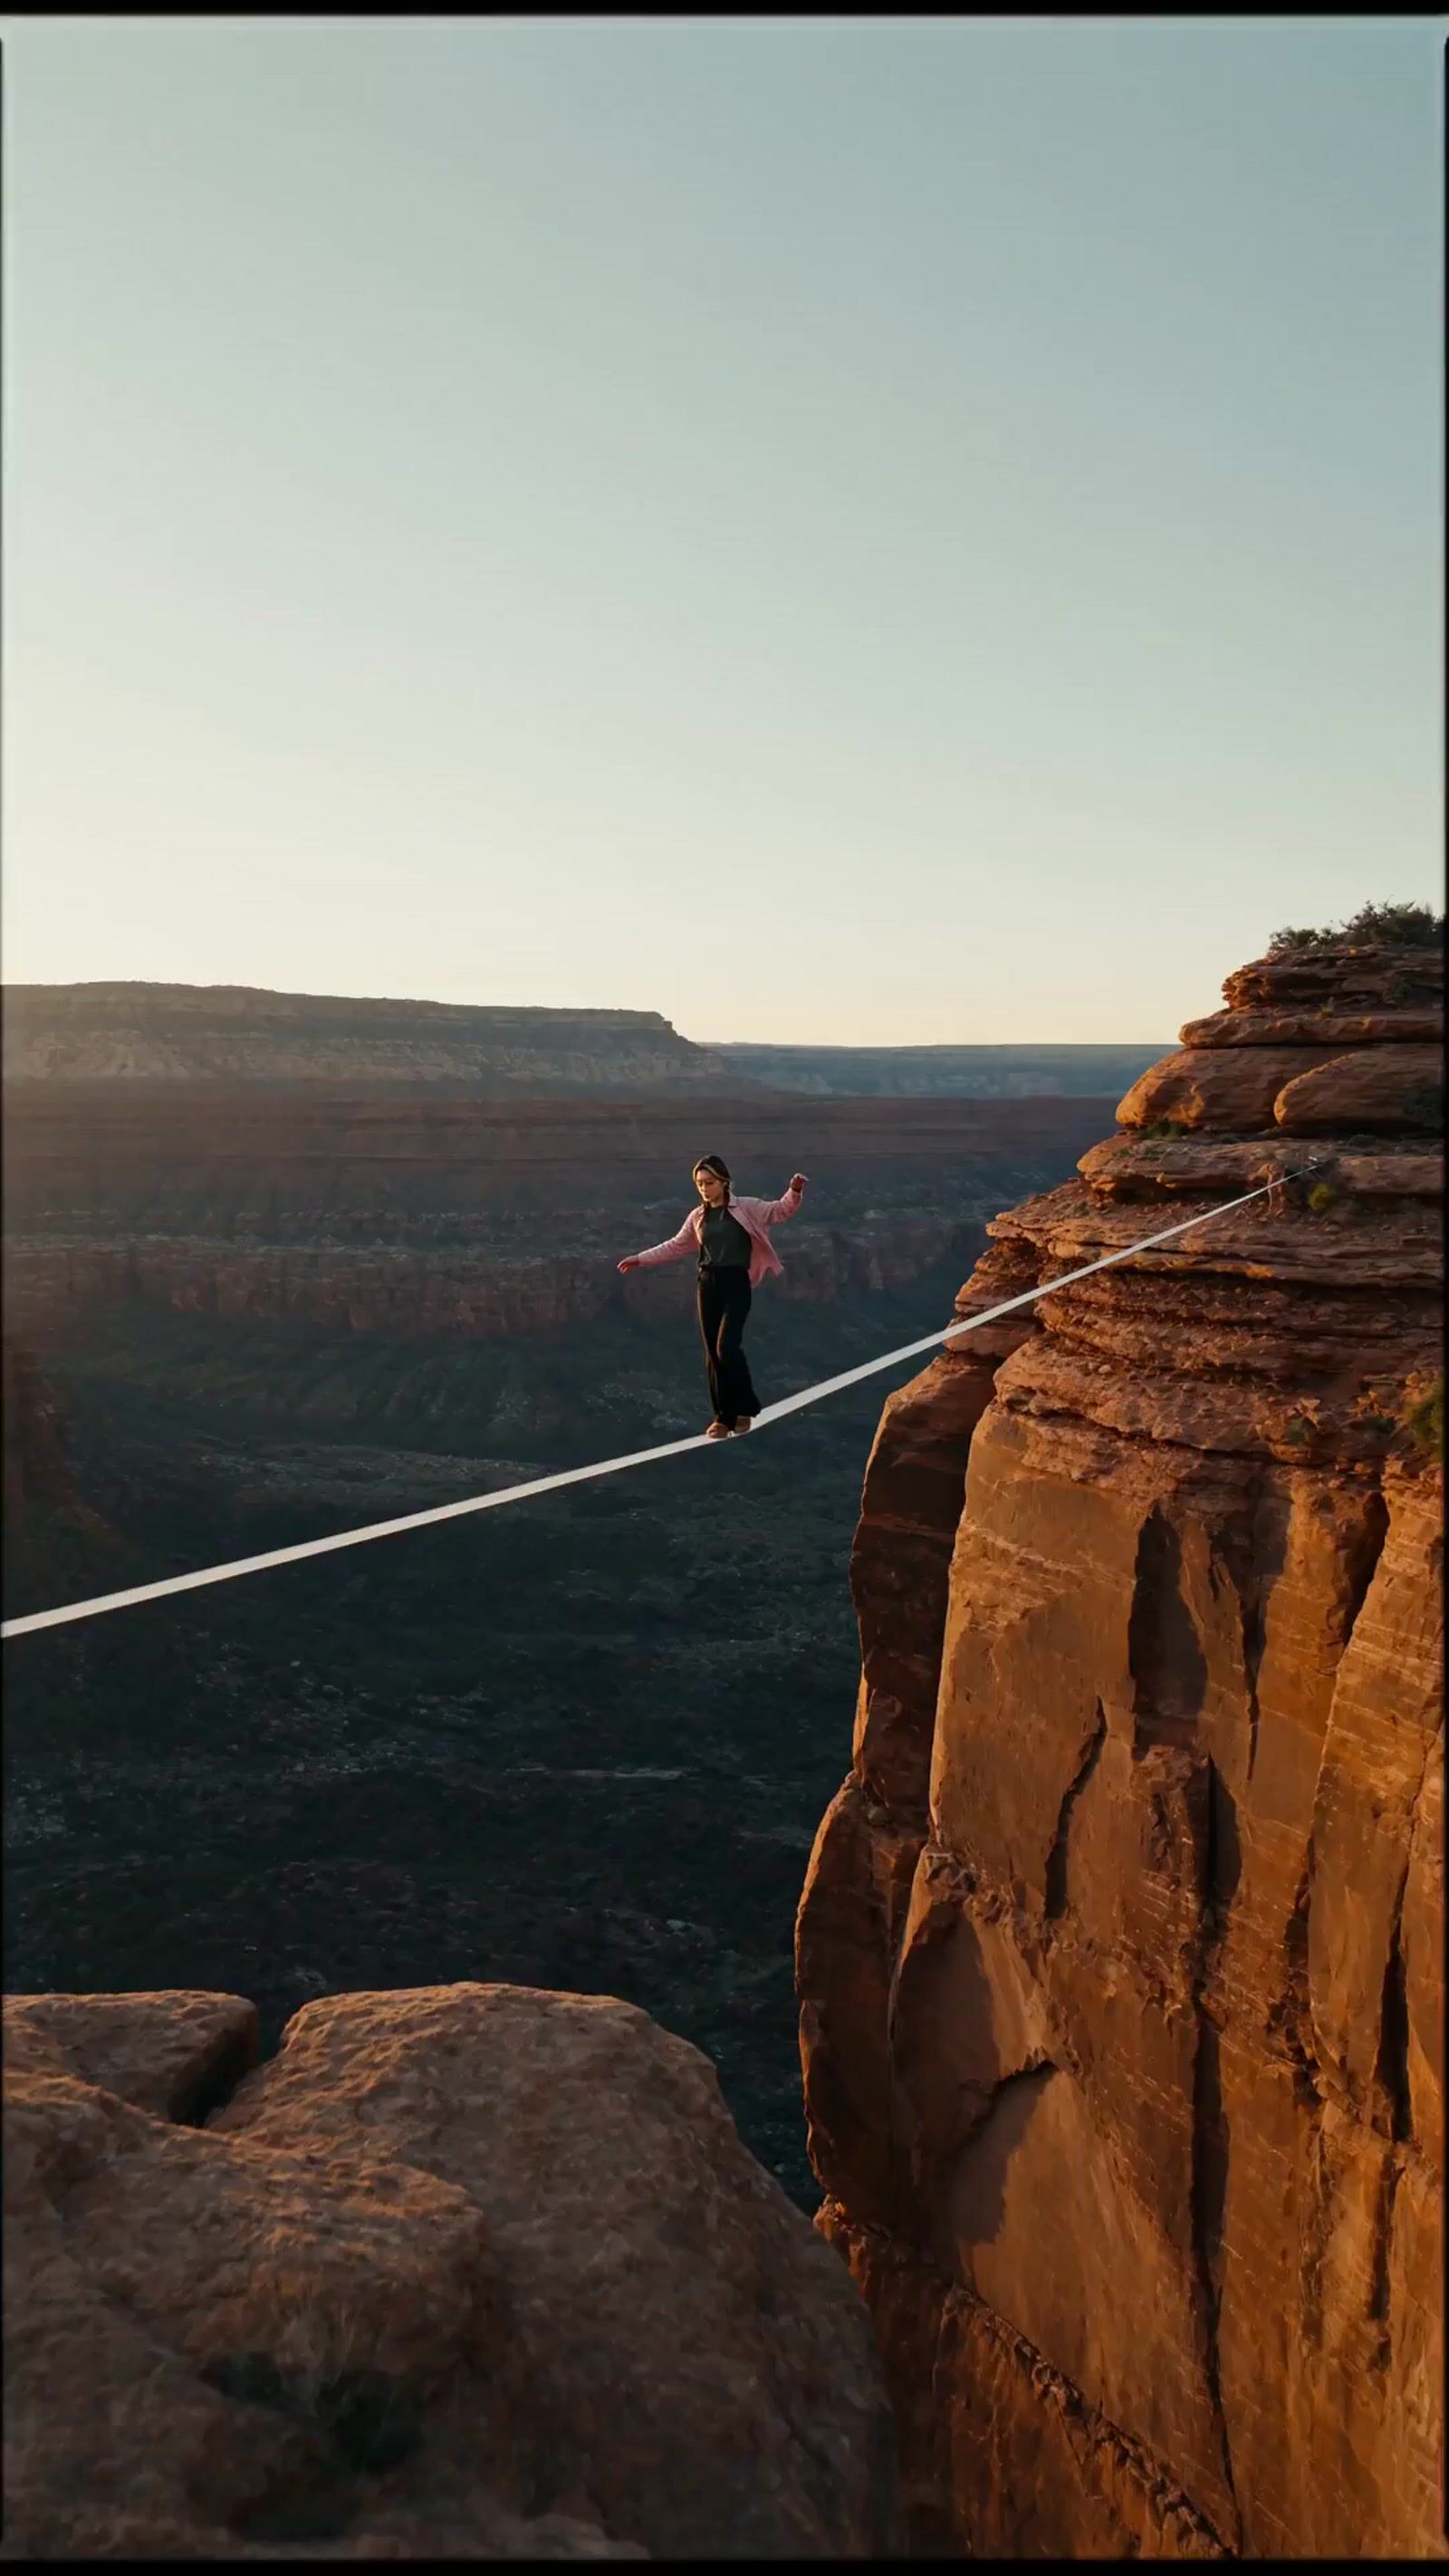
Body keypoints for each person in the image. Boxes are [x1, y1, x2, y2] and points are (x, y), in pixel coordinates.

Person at [619, 1158, 809, 1438]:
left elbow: (779, 1212)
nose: (704, 1189)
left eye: (709, 1183)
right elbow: (676, 1245)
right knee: (712, 1354)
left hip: (736, 1283)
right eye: (699, 1184)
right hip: (707, 1284)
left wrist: (794, 1191)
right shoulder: (698, 1217)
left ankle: (744, 1409)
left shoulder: (746, 1207)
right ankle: (722, 1417)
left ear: (724, 1182)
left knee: (727, 1347)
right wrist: (640, 1259)